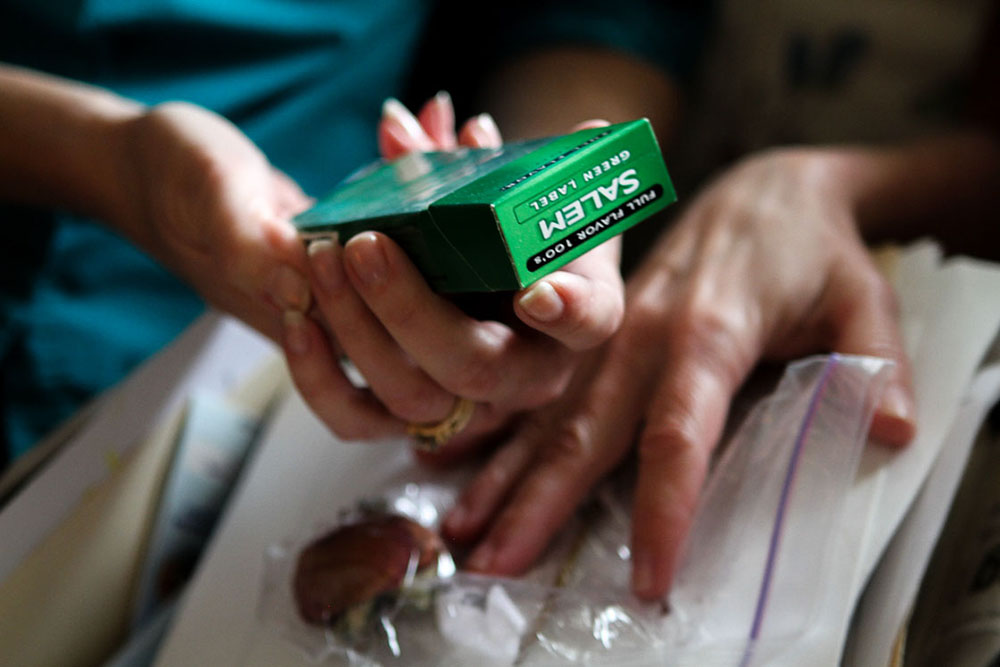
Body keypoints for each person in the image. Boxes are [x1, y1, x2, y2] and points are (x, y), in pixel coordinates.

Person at [313, 0, 1000, 603]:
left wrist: (836, 187)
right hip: (622, 289)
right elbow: (604, 24)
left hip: (891, 284)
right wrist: (529, 188)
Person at [0, 1, 706, 467]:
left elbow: (597, 20)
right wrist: (98, 157)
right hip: (241, 277)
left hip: (266, 386)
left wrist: (537, 184)